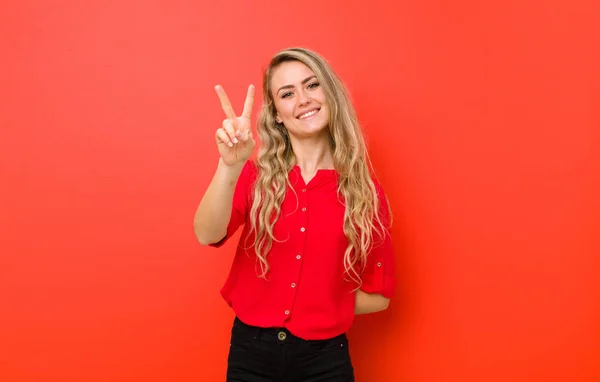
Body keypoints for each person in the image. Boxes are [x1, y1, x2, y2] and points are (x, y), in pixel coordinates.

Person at [193, 47, 396, 382]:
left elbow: (379, 297)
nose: (303, 99)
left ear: (329, 94)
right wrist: (229, 166)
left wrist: (315, 302)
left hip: (325, 360)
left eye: (312, 85)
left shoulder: (366, 193)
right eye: (288, 93)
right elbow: (207, 233)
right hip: (250, 355)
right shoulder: (255, 176)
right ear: (275, 113)